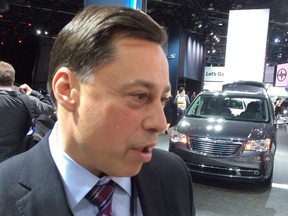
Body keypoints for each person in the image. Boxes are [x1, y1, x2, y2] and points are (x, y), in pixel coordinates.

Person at [0, 6, 195, 216]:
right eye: (139, 96)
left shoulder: (173, 175)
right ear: (67, 90)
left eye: (163, 99)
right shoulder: (5, 194)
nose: (159, 122)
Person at [0, 61, 54, 162]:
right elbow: (50, 107)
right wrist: (34, 92)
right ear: (12, 79)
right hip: (15, 163)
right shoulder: (27, 101)